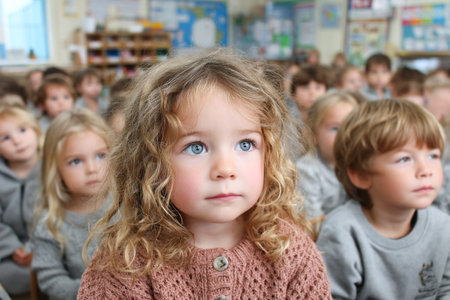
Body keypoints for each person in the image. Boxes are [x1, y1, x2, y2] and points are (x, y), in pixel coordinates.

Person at [77, 49, 331, 299]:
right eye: (196, 147)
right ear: (151, 162)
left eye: (245, 144)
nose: (225, 169)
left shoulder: (290, 250)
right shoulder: (124, 264)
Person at [316, 99, 450, 299]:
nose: (425, 171)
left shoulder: (443, 226)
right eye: (404, 159)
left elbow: (444, 290)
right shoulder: (342, 232)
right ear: (361, 175)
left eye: (433, 156)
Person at [31, 108, 112, 300]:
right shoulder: (50, 225)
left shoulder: (128, 205)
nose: (92, 169)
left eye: (101, 155)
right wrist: (103, 289)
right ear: (56, 169)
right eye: (76, 161)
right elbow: (53, 283)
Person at [297, 92, 360, 220]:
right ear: (313, 135)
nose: (346, 134)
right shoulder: (306, 170)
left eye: (352, 127)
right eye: (336, 129)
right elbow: (311, 220)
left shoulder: (357, 164)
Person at [0, 104, 42, 296]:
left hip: (46, 244)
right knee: (7, 276)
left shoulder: (50, 169)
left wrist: (34, 247)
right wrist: (13, 247)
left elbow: (56, 212)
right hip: (10, 249)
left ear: (36, 130)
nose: (17, 140)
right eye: (5, 138)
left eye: (22, 130)